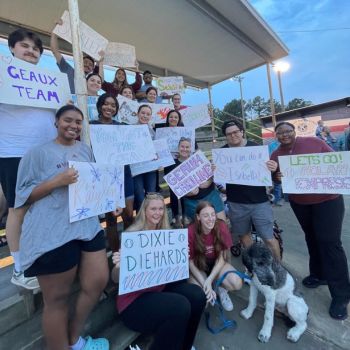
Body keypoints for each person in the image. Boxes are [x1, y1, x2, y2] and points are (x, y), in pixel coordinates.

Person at [15, 105, 109, 349]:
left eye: (78, 122)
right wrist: (56, 181)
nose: (74, 125)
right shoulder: (37, 154)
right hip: (53, 230)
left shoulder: (85, 150)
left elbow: (93, 184)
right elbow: (22, 197)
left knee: (97, 281)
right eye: (68, 120)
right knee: (56, 299)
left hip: (87, 225)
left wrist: (109, 200)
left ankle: (74, 338)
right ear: (56, 122)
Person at [271, 122, 350, 320]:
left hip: (328, 200)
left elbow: (336, 162)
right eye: (280, 133)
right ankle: (319, 274)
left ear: (294, 132)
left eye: (288, 131)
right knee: (312, 238)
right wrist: (277, 177)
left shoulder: (314, 142)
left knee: (329, 243)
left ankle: (341, 295)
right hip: (300, 203)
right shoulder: (276, 154)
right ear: (276, 136)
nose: (284, 135)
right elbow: (274, 178)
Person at [0, 28, 58, 289]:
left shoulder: (48, 79)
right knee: (18, 209)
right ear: (12, 48)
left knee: (42, 208)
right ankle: (20, 268)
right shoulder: (2, 74)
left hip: (46, 152)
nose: (30, 51)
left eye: (35, 49)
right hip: (14, 153)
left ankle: (39, 257)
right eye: (25, 46)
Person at [111, 193, 206, 350]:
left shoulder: (166, 234)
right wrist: (119, 266)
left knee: (197, 295)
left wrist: (181, 256)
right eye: (153, 209)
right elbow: (115, 279)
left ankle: (185, 346)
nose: (157, 213)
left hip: (157, 289)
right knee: (180, 306)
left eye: (161, 208)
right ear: (144, 211)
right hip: (134, 302)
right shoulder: (133, 235)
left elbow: (174, 275)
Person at [220, 120, 281, 260]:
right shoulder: (222, 153)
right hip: (236, 203)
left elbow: (269, 175)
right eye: (229, 134)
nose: (233, 135)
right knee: (244, 238)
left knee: (269, 239)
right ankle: (255, 268)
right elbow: (218, 177)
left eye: (235, 132)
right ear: (225, 136)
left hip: (260, 202)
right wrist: (215, 171)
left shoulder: (256, 148)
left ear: (242, 132)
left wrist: (273, 168)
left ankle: (279, 270)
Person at [90, 93, 135, 241]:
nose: (109, 107)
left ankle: (130, 252)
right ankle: (116, 254)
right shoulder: (91, 126)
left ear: (116, 109)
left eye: (113, 105)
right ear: (99, 105)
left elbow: (133, 146)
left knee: (128, 215)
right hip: (105, 178)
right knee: (111, 219)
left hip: (124, 174)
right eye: (106, 103)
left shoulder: (121, 127)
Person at [188, 201, 242, 311]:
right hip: (198, 266)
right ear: (198, 217)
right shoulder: (190, 231)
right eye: (205, 215)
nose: (211, 218)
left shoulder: (221, 226)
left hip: (216, 264)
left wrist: (209, 280)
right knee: (203, 300)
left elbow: (221, 258)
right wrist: (205, 284)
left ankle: (219, 287)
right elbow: (190, 262)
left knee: (236, 283)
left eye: (213, 214)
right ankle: (209, 286)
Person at [50, 20, 100, 93]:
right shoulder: (68, 70)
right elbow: (55, 51)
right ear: (79, 63)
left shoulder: (92, 83)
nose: (87, 65)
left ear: (92, 69)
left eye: (90, 65)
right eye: (85, 62)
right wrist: (54, 34)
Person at [133, 105, 157, 211]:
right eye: (143, 113)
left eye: (148, 114)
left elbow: (157, 149)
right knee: (139, 197)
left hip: (150, 168)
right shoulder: (130, 129)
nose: (145, 116)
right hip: (136, 168)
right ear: (137, 114)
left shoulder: (153, 131)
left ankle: (150, 221)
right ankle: (141, 222)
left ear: (150, 116)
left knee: (151, 195)